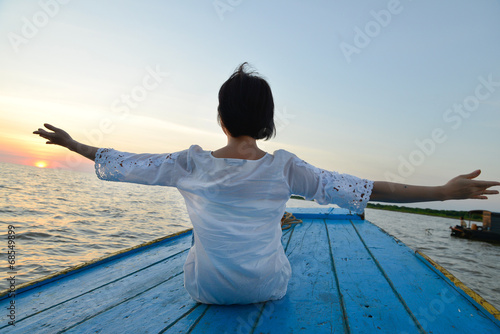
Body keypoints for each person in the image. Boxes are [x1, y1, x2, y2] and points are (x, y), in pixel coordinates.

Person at [33, 63, 500, 305]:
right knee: (274, 227)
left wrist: (74, 144)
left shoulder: (189, 164)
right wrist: (443, 190)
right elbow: (369, 188)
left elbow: (126, 162)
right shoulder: (284, 168)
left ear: (220, 118)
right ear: (268, 122)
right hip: (268, 286)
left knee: (204, 243)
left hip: (206, 290)